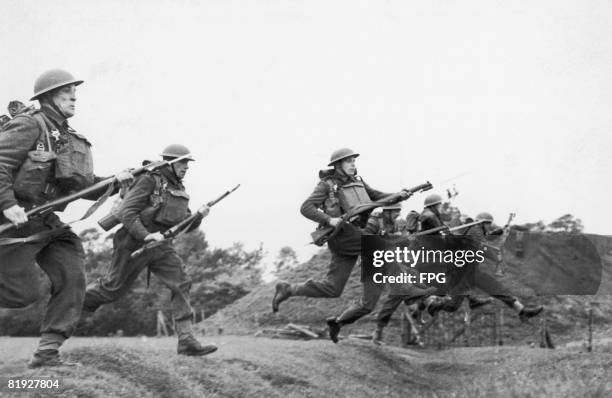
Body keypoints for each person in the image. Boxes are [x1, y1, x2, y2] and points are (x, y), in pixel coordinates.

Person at [0, 69, 132, 368]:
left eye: (74, 92)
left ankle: (47, 353)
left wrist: (116, 182)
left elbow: (80, 186)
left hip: (46, 221)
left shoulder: (66, 137)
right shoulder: (29, 124)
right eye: (65, 92)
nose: (74, 97)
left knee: (73, 275)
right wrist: (7, 204)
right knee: (23, 295)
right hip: (16, 219)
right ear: (48, 97)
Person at [83, 144, 218, 356]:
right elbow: (128, 212)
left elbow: (185, 224)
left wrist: (199, 216)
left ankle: (186, 340)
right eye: (183, 162)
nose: (186, 167)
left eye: (187, 163)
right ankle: (70, 303)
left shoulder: (179, 188)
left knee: (181, 282)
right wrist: (146, 236)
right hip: (134, 242)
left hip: (161, 246)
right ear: (171, 163)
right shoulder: (149, 179)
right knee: (111, 289)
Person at [272, 148, 410, 312]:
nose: (353, 164)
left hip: (352, 236)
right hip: (342, 236)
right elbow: (306, 207)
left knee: (333, 288)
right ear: (338, 165)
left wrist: (399, 195)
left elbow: (377, 196)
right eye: (348, 161)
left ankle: (289, 289)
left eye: (354, 161)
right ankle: (408, 290)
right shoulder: (326, 185)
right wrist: (329, 219)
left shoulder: (357, 181)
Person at [428, 212, 543, 321]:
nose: (490, 226)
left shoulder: (476, 232)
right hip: (462, 275)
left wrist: (499, 232)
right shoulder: (474, 231)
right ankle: (434, 304)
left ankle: (521, 310)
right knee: (452, 306)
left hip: (471, 272)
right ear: (481, 223)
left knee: (497, 288)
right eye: (488, 224)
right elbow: (482, 245)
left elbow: (485, 238)